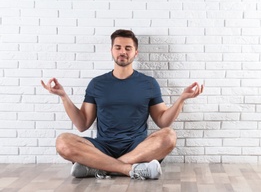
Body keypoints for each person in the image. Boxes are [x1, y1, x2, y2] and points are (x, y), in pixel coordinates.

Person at [41, 29, 204, 180]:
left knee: (169, 135)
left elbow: (163, 122)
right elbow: (82, 124)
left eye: (128, 48)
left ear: (135, 52)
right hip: (102, 147)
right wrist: (63, 96)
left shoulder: (149, 83)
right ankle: (130, 169)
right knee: (62, 142)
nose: (123, 52)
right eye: (118, 47)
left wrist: (181, 99)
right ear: (111, 50)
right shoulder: (97, 84)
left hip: (138, 148)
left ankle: (100, 168)